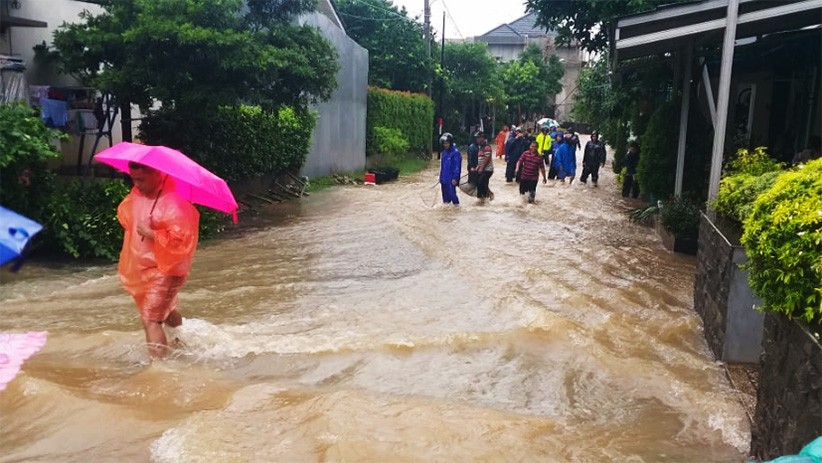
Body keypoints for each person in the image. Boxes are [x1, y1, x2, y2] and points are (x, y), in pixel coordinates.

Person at [118, 161, 200, 359]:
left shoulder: (173, 203)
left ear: (157, 175)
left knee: (150, 319)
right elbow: (126, 217)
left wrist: (153, 233)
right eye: (133, 179)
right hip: (144, 266)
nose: (136, 184)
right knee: (167, 309)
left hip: (167, 269)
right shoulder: (137, 196)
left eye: (141, 180)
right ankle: (180, 342)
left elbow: (182, 240)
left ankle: (159, 368)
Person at [439, 132, 462, 205]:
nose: (445, 145)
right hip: (444, 179)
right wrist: (441, 178)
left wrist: (455, 178)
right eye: (444, 143)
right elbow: (442, 166)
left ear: (450, 143)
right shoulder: (444, 153)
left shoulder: (455, 153)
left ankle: (457, 209)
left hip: (451, 179)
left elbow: (457, 167)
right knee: (445, 199)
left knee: (453, 195)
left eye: (447, 143)